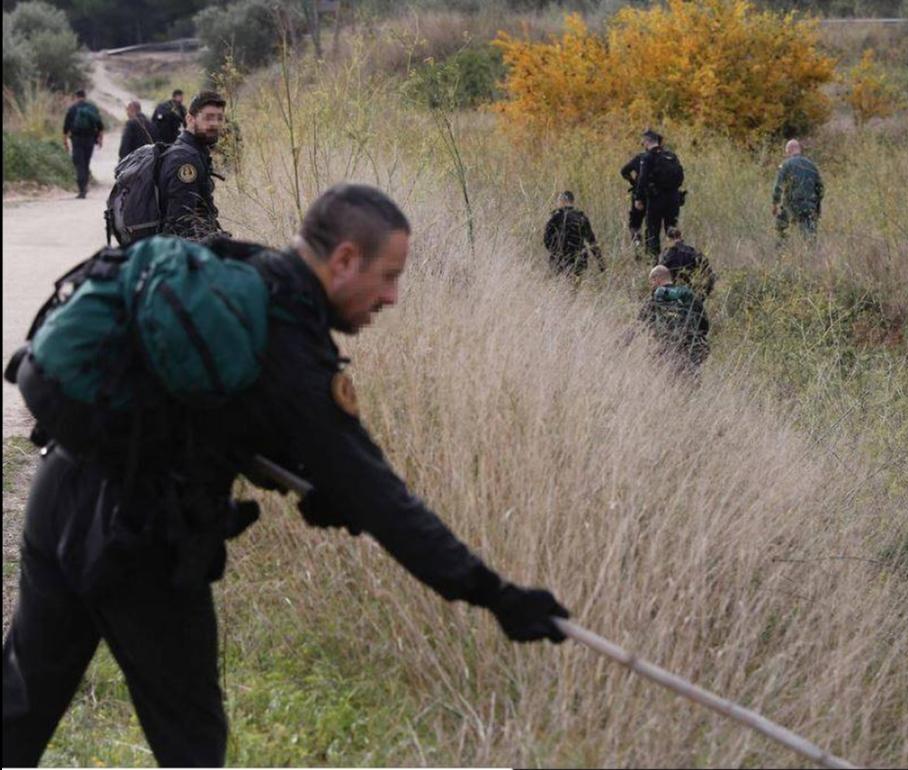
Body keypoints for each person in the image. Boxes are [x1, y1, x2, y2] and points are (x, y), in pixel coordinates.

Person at [1, 183, 571, 767]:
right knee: (190, 741)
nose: (393, 297)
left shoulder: (241, 270)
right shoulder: (291, 344)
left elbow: (209, 417)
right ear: (345, 260)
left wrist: (313, 484)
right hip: (136, 538)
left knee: (21, 702)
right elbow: (382, 499)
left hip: (60, 490)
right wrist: (491, 593)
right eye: (389, 276)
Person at [159, 90, 227, 240]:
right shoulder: (185, 160)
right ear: (190, 119)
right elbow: (181, 223)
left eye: (219, 118)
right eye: (208, 118)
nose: (215, 123)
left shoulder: (196, 152)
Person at [637, 264, 709, 375]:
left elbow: (640, 325)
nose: (651, 285)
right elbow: (704, 325)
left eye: (651, 281)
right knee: (691, 382)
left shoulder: (655, 299)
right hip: (690, 349)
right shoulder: (688, 295)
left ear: (657, 279)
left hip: (666, 349)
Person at [634, 130, 686, 258]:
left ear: (647, 142)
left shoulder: (648, 157)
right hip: (674, 199)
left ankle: (654, 263)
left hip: (656, 199)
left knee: (653, 232)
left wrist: (638, 198)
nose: (642, 144)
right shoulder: (671, 156)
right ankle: (676, 259)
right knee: (672, 231)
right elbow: (680, 177)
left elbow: (642, 179)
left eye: (643, 142)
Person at [542, 191, 604, 277]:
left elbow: (546, 240)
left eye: (558, 201)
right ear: (572, 201)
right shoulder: (581, 217)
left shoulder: (555, 218)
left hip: (559, 261)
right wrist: (601, 263)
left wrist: (555, 252)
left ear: (562, 201)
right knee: (574, 286)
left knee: (559, 287)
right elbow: (592, 242)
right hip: (578, 261)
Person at [772, 139, 824, 242]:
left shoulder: (786, 165)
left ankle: (782, 254)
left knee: (781, 230)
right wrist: (816, 206)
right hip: (810, 206)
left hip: (792, 205)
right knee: (810, 236)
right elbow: (820, 189)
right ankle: (811, 256)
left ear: (789, 150)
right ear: (799, 149)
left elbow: (778, 186)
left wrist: (775, 204)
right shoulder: (812, 166)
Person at [61, 89, 104, 199]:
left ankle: (82, 190)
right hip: (90, 139)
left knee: (79, 164)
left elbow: (66, 127)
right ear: (85, 96)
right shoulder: (92, 108)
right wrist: (100, 139)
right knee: (86, 163)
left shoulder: (72, 109)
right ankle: (84, 186)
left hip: (77, 140)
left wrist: (65, 141)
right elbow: (99, 125)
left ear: (76, 97)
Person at [657, 227, 716, 298]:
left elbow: (657, 276)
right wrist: (702, 296)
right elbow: (710, 275)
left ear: (668, 239)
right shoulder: (694, 252)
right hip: (691, 294)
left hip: (670, 296)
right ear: (680, 237)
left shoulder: (665, 255)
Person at [620, 149, 647, 253]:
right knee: (653, 226)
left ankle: (638, 249)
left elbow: (624, 171)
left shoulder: (640, 157)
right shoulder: (664, 157)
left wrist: (633, 182)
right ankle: (652, 253)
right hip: (657, 198)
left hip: (639, 198)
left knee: (635, 225)